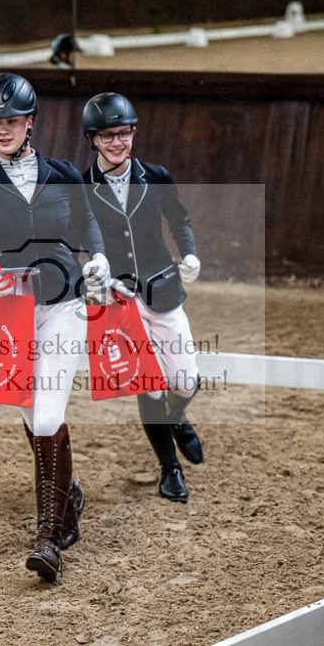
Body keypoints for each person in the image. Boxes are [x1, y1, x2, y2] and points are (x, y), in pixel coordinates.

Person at [0, 73, 108, 582]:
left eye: (11, 121)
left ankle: (48, 540)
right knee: (33, 414)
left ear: (30, 121)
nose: (3, 130)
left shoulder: (64, 175)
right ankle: (69, 494)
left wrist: (98, 257)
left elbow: (85, 225)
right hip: (10, 317)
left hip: (64, 306)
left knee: (46, 412)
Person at [80, 92, 204, 503]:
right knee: (149, 386)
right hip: (117, 299)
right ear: (93, 139)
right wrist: (91, 268)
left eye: (125, 133)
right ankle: (169, 468)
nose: (118, 142)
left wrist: (188, 251)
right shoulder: (81, 186)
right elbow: (75, 234)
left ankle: (178, 415)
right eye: (108, 136)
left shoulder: (157, 175)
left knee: (185, 379)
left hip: (163, 288)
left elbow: (178, 216)